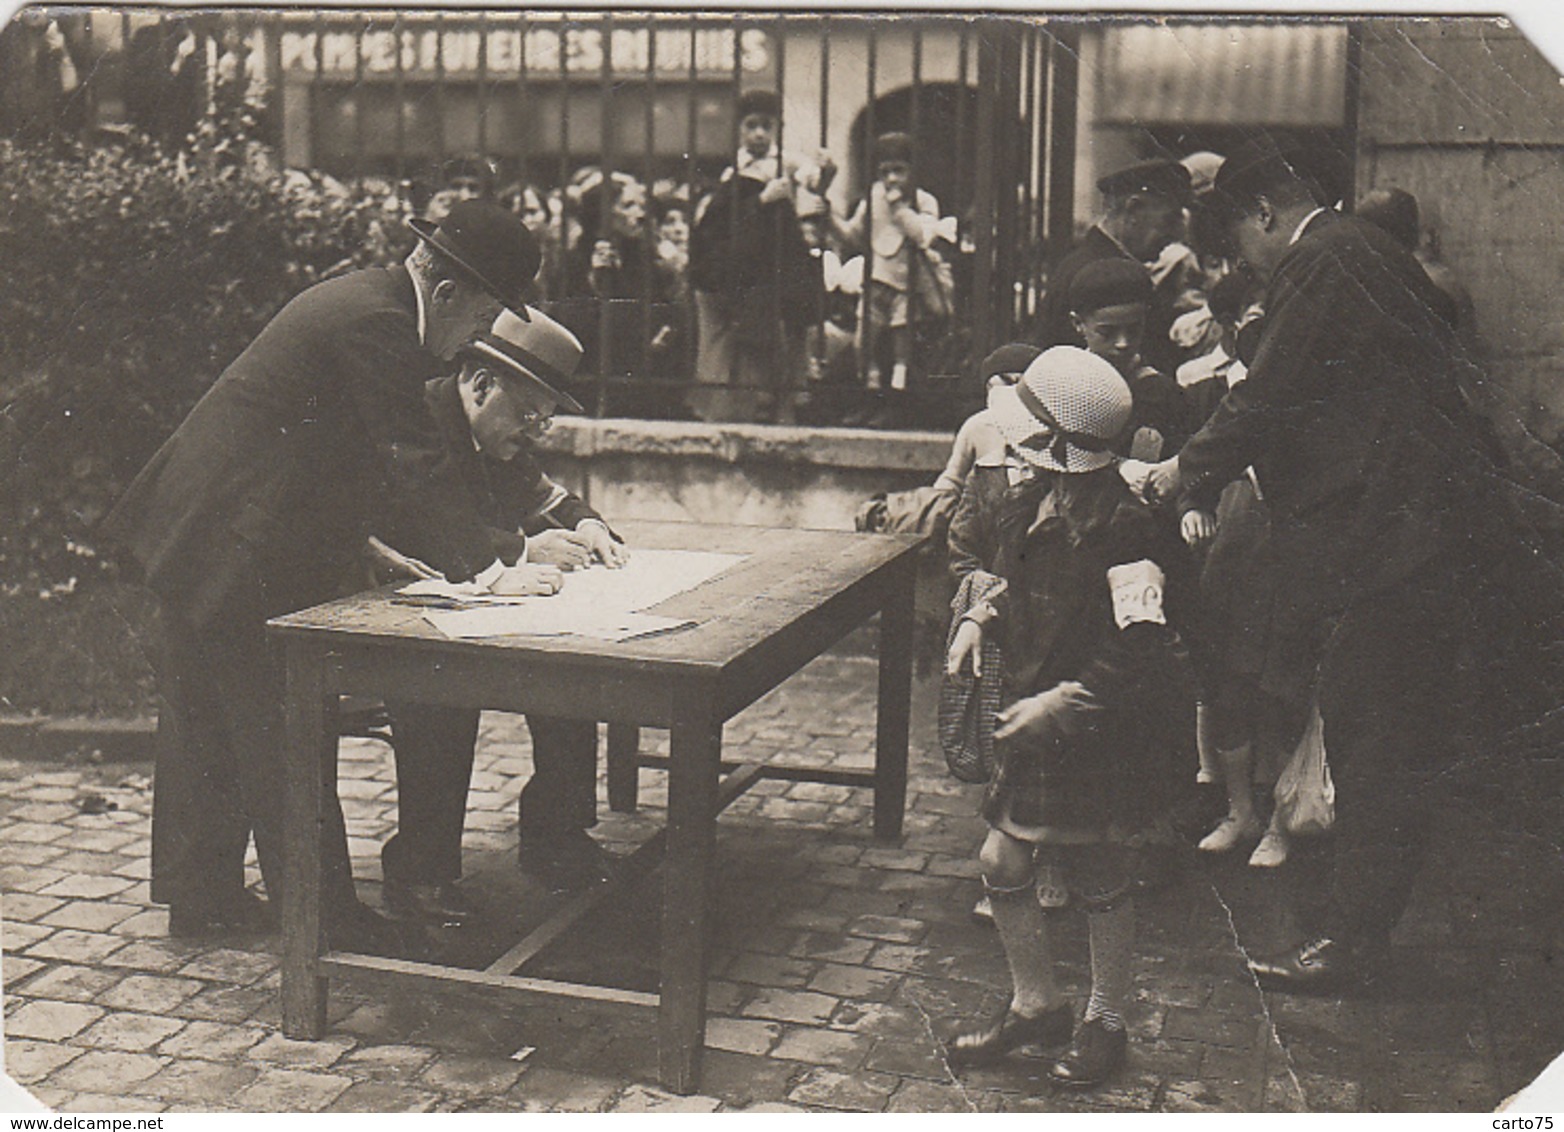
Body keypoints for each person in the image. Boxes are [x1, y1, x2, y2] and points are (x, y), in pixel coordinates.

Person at [1143, 136, 1548, 989]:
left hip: (1409, 547)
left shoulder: (1321, 256)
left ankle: (1353, 946)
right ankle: (1356, 932)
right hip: (1424, 533)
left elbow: (1270, 392)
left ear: (1264, 215)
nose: (1244, 267)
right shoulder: (1362, 250)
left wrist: (1184, 469)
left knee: (1378, 735)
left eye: (1239, 246)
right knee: (1382, 729)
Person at [102, 201, 558, 952]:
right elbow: (414, 463)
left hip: (206, 521)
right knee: (280, 727)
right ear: (445, 293)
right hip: (235, 537)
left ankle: (202, 899)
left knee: (204, 720)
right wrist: (501, 562)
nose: (473, 342)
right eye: (480, 319)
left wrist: (364, 542)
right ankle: (321, 918)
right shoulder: (377, 324)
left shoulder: (365, 302)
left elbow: (329, 452)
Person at [943, 347, 1195, 1088]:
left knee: (1096, 868)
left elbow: (1142, 644)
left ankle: (1106, 1020)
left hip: (1092, 724)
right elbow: (1001, 578)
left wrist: (1063, 703)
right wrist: (975, 622)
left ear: (1058, 449)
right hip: (1034, 712)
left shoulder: (1128, 528)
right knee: (1001, 860)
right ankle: (1037, 1004)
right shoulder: (1030, 504)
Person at [373, 308, 628, 924]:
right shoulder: (419, 419)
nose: (536, 432)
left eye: (546, 417)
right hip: (381, 591)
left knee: (567, 665)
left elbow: (544, 495)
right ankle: (419, 872)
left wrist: (588, 524)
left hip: (462, 592)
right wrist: (519, 550)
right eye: (529, 414)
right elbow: (408, 519)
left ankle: (556, 837)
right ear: (481, 385)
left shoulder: (493, 430)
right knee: (439, 690)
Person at [687, 88, 832, 424]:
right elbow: (725, 220)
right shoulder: (734, 169)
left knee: (788, 331)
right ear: (740, 128)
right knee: (753, 335)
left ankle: (786, 404)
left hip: (782, 255)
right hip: (752, 260)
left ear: (776, 128)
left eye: (766, 126)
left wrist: (827, 170)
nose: (758, 134)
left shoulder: (787, 162)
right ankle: (756, 402)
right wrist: (763, 200)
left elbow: (815, 182)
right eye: (752, 126)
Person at [1033, 159, 1192, 376]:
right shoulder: (1102, 274)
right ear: (1133, 209)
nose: (1176, 235)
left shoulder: (1087, 262)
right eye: (1169, 220)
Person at [830, 131, 947, 398]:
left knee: (901, 343)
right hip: (875, 282)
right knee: (864, 341)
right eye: (885, 172)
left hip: (907, 286)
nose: (892, 179)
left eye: (899, 170)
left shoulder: (924, 201)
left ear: (914, 171)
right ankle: (869, 386)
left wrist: (901, 210)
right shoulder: (873, 198)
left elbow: (923, 236)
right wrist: (829, 217)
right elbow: (853, 236)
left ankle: (898, 390)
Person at [1066, 257, 1193, 465]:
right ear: (1078, 323)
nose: (1123, 344)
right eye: (1107, 333)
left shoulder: (1162, 394)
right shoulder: (1059, 384)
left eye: (1134, 330)